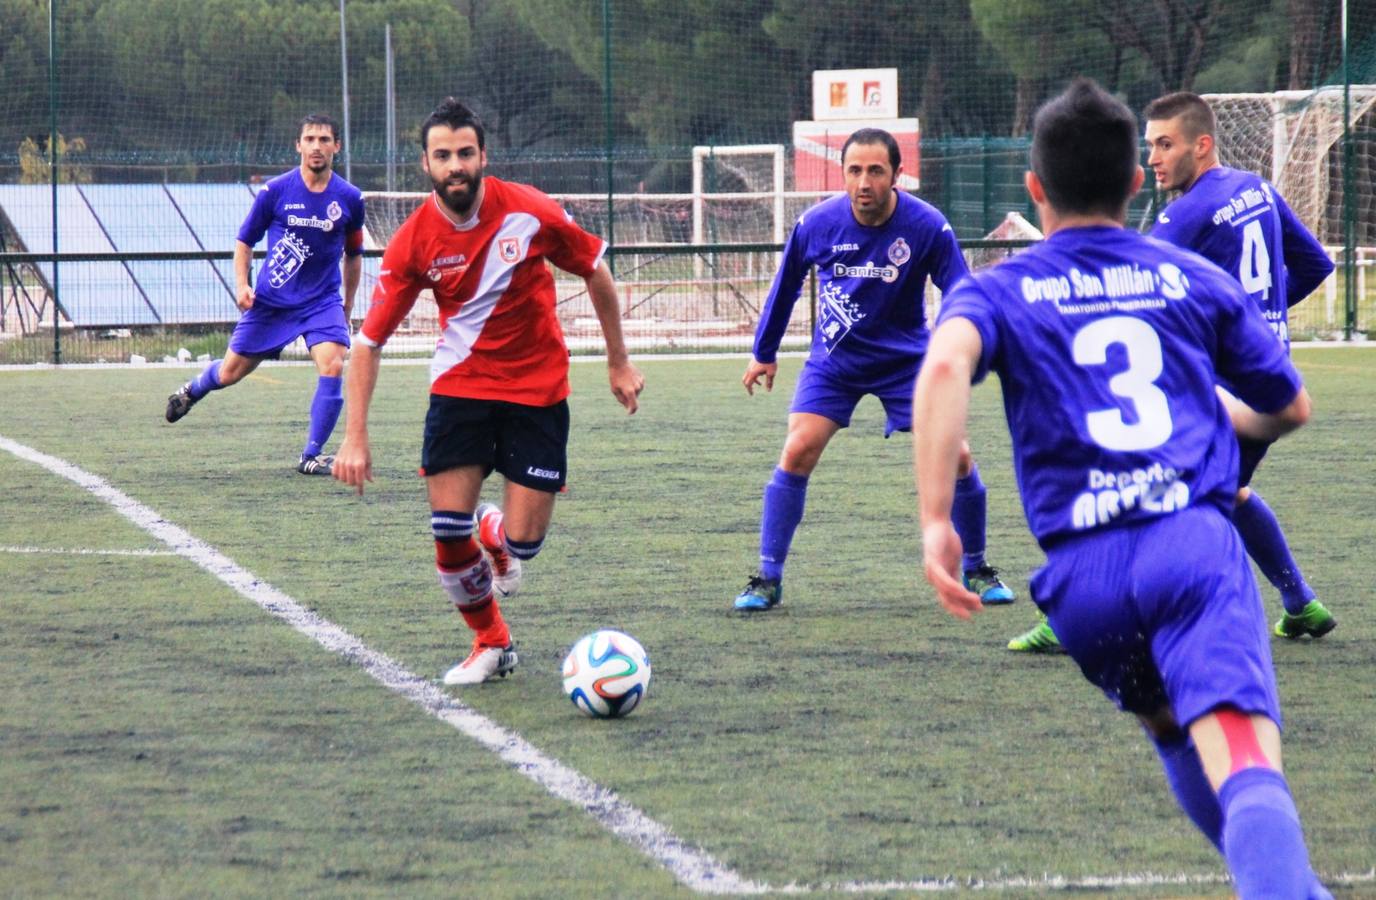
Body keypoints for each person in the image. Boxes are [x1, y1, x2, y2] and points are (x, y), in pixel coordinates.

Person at [914, 78, 1328, 898]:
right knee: (1244, 757)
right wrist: (1215, 412)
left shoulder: (998, 287)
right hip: (1189, 550)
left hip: (1083, 585)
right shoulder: (1188, 276)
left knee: (1171, 726)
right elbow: (1290, 408)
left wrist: (935, 520)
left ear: (1035, 188)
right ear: (1137, 180)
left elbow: (946, 366)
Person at [1007, 91, 1337, 652]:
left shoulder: (1186, 214)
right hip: (1265, 380)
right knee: (1227, 491)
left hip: (1223, 393)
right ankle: (1300, 603)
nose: (1153, 159)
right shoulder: (1255, 188)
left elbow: (1126, 283)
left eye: (1165, 145)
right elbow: (1313, 264)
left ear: (1201, 145)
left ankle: (1074, 620)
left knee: (1126, 485)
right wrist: (1256, 324)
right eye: (1150, 145)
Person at [332, 98, 643, 686]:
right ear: (425, 164)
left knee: (526, 545)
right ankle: (492, 642)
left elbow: (594, 267)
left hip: (538, 390)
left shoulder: (530, 210)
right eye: (443, 155)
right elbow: (368, 343)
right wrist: (355, 436)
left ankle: (498, 536)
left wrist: (618, 362)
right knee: (448, 533)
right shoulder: (412, 241)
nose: (455, 165)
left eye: (465, 153)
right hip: (461, 388)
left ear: (483, 157)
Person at [732, 127, 1014, 611]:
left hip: (907, 363)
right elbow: (786, 285)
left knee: (959, 457)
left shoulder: (927, 226)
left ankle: (978, 567)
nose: (864, 182)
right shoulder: (817, 223)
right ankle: (767, 577)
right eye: (855, 171)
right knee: (797, 450)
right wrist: (764, 351)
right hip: (835, 360)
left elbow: (961, 292)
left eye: (876, 171)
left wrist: (969, 344)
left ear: (897, 174)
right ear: (842, 174)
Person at [165, 114, 365, 476]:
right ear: (298, 145)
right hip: (272, 304)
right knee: (229, 373)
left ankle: (311, 455)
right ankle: (192, 390)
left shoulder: (350, 198)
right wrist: (242, 285)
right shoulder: (275, 192)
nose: (316, 146)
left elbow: (354, 255)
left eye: (324, 139)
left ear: (337, 146)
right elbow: (245, 241)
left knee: (333, 364)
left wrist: (347, 306)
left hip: (321, 302)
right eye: (310, 139)